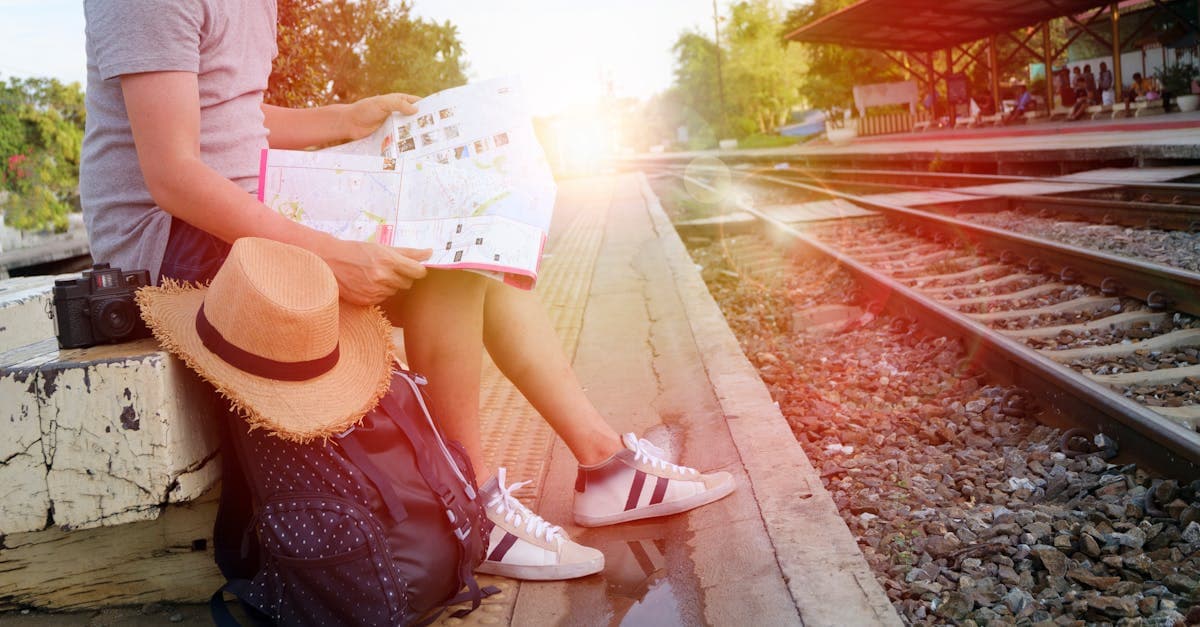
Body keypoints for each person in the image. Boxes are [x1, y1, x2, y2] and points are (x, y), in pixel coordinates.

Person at [82, 0, 734, 583]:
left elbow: (231, 117)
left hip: (252, 198)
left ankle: (604, 465)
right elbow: (172, 172)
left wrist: (348, 119)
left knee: (474, 245)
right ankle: (469, 505)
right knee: (440, 269)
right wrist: (329, 253)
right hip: (173, 237)